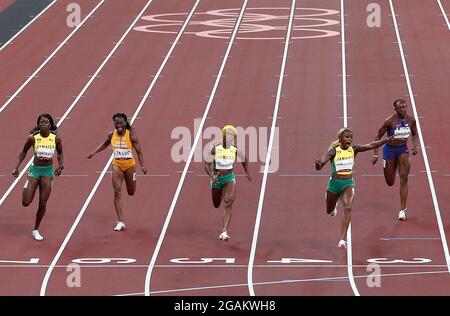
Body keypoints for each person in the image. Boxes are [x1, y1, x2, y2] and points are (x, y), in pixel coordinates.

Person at [315, 127, 393, 248]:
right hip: (334, 184)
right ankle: (332, 204)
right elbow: (320, 165)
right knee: (329, 211)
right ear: (340, 138)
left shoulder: (354, 149)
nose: (349, 139)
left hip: (348, 183)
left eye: (351, 137)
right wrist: (318, 164)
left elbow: (370, 145)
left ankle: (342, 239)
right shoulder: (333, 151)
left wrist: (385, 140)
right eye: (347, 137)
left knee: (348, 208)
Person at [87, 113, 147, 231]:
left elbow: (139, 151)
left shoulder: (132, 136)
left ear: (125, 123)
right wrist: (94, 153)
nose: (118, 124)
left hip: (129, 166)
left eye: (120, 122)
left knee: (131, 192)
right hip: (117, 165)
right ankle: (120, 221)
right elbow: (105, 143)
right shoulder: (111, 134)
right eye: (116, 122)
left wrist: (143, 166)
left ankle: (131, 182)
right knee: (117, 192)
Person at [12, 114, 64, 241]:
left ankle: (35, 229)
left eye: (46, 122)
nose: (43, 123)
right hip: (35, 170)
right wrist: (16, 167)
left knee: (42, 202)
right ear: (38, 124)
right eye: (41, 122)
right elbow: (23, 151)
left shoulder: (55, 138)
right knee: (26, 202)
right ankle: (27, 184)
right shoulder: (33, 138)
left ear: (50, 125)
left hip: (47, 171)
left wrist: (60, 166)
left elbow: (60, 152)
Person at [372, 99, 418, 221]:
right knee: (390, 181)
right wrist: (375, 154)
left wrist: (414, 146)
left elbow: (414, 133)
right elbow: (378, 136)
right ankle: (394, 165)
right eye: (400, 107)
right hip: (389, 150)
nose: (403, 109)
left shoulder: (411, 120)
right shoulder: (390, 121)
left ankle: (402, 210)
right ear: (396, 109)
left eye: (405, 107)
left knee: (404, 178)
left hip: (403, 150)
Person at [204, 125, 252, 241]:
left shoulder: (235, 149)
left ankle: (224, 232)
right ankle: (218, 190)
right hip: (216, 178)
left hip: (229, 178)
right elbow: (206, 165)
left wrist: (248, 173)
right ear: (223, 134)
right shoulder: (215, 148)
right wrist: (212, 176)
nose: (230, 135)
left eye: (232, 134)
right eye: (228, 133)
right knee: (216, 204)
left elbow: (245, 160)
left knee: (228, 202)